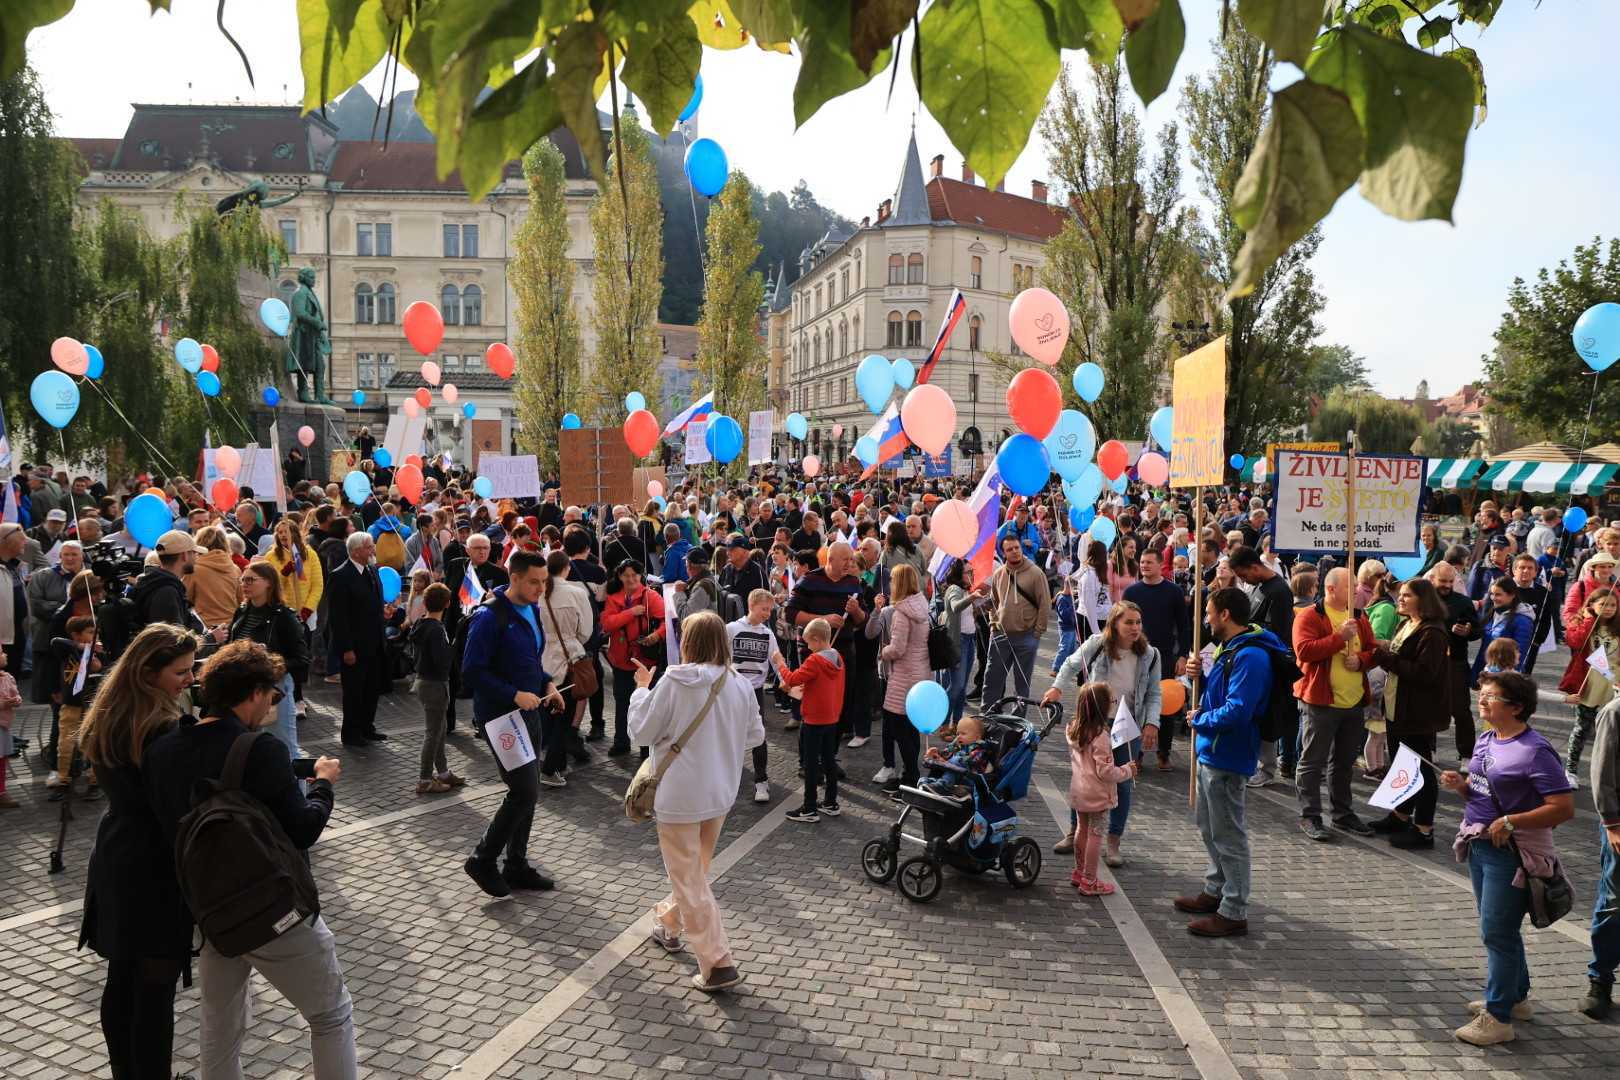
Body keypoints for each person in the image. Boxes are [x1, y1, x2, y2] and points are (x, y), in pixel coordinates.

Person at [143, 639, 354, 1078]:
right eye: (273, 695)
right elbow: (303, 829)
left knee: (220, 1027)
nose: (273, 704)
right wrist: (323, 786)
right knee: (331, 1015)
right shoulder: (261, 749)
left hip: (211, 911)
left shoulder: (164, 748)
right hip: (272, 909)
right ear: (254, 693)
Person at [75, 625, 199, 1078]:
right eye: (181, 672)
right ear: (148, 673)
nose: (190, 679)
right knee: (154, 989)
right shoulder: (161, 728)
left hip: (116, 851)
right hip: (154, 866)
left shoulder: (110, 712)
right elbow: (177, 807)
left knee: (122, 978)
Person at [1438, 671, 1575, 1046]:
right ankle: (1515, 998)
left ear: (1516, 707)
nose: (1481, 700)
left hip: (1510, 853)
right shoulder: (1487, 738)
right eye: (1481, 694)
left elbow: (1563, 807)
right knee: (1499, 928)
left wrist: (1512, 821)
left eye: (1490, 696)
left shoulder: (1535, 750)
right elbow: (1481, 791)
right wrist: (1461, 786)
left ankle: (1498, 1018)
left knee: (1496, 933)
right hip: (1478, 844)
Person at [629, 610, 763, 993]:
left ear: (687, 642)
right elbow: (755, 736)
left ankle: (718, 962)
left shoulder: (676, 680)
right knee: (694, 875)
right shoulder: (739, 683)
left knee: (689, 879)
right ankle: (668, 924)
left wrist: (641, 690)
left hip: (679, 794)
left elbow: (641, 731)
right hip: (719, 792)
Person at [1174, 587, 1288, 938]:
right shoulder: (1231, 647)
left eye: (1209, 612)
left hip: (1228, 753)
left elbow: (1238, 710)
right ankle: (1216, 889)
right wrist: (1199, 675)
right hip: (1212, 750)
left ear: (1225, 614)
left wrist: (1200, 720)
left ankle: (1234, 909)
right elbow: (1219, 692)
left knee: (1229, 835)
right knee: (1210, 828)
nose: (1206, 619)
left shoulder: (1251, 656)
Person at [460, 550, 568, 897]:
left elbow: (529, 661)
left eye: (544, 582)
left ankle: (516, 865)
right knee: (524, 791)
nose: (541, 589)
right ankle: (482, 859)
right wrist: (513, 694)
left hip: (529, 711)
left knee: (529, 790)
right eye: (534, 582)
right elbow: (471, 671)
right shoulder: (488, 617)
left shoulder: (532, 610)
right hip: (501, 717)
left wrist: (547, 684)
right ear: (515, 577)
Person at [1045, 602, 1162, 865]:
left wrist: (1152, 723)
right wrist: (1056, 688)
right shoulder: (1097, 644)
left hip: (1127, 723)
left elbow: (1155, 693)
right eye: (1128, 622)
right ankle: (1075, 831)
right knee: (1085, 777)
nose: (1135, 627)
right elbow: (1070, 664)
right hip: (1095, 720)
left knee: (1123, 781)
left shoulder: (1151, 654)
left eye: (1138, 622)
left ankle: (1113, 841)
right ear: (1114, 623)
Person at [1290, 568, 1377, 841]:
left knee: (1343, 763)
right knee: (1312, 761)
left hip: (1353, 702)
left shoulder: (1359, 616)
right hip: (1320, 702)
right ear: (1330, 589)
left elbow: (1372, 650)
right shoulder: (1309, 616)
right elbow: (1304, 651)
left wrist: (1361, 660)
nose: (1356, 591)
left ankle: (1342, 813)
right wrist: (1339, 638)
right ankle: (1310, 815)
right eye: (1350, 587)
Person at [1370, 578, 1453, 849]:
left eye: (1407, 595)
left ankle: (1424, 828)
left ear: (1423, 600)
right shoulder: (1407, 623)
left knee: (1421, 770)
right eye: (1401, 594)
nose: (1401, 599)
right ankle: (1400, 815)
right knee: (1402, 766)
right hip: (1397, 707)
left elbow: (1424, 673)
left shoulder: (1433, 633)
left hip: (1418, 712)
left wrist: (1385, 659)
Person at [229, 561, 311, 763]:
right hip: (244, 689)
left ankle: (295, 783)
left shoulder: (283, 616)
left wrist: (267, 663)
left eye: (250, 580)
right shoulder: (242, 611)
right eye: (243, 580)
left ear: (269, 583)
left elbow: (301, 659)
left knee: (284, 747)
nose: (245, 584)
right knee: (251, 749)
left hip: (273, 689)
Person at [1065, 682, 1138, 896]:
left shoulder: (1073, 729)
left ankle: (1079, 872)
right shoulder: (1101, 736)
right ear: (1104, 707)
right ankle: (1089, 880)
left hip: (1079, 790)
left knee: (1081, 830)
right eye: (1112, 701)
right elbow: (1106, 772)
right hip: (1097, 794)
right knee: (1096, 835)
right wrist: (1127, 770)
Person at [866, 563, 932, 797]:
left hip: (903, 677)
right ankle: (910, 775)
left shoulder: (902, 612)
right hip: (920, 672)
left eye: (893, 580)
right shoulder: (921, 606)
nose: (891, 583)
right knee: (911, 729)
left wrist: (884, 651)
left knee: (899, 728)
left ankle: (910, 779)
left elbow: (898, 649)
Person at [777, 617, 845, 823]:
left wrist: (780, 663)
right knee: (829, 760)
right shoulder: (838, 658)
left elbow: (792, 679)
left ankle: (809, 807)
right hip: (831, 717)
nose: (807, 647)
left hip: (814, 719)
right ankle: (831, 802)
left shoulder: (815, 660)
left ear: (816, 639)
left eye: (808, 642)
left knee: (810, 763)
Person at [1124, 548, 1187, 770]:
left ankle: (1164, 753)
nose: (1144, 565)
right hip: (1135, 656)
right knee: (1135, 704)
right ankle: (1136, 753)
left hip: (1165, 657)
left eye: (1149, 562)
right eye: (1142, 562)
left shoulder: (1174, 592)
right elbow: (1121, 622)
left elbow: (1184, 626)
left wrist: (1183, 655)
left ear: (1161, 565)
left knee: (1165, 705)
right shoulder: (1131, 591)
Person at [601, 559, 668, 757]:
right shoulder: (614, 598)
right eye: (626, 575)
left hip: (646, 662)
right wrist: (630, 613)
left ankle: (646, 748)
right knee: (622, 701)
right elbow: (607, 624)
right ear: (619, 576)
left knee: (648, 704)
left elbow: (666, 621)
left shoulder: (650, 596)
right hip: (621, 660)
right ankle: (621, 741)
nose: (630, 579)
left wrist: (656, 635)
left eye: (634, 575)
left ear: (640, 576)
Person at [977, 534, 1051, 710]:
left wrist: (1037, 632)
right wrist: (993, 625)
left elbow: (1045, 604)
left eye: (1017, 547)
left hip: (1027, 636)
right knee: (992, 679)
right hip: (1001, 636)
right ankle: (988, 716)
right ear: (1003, 553)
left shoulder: (1036, 573)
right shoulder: (999, 574)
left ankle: (1017, 721)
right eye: (1010, 549)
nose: (1015, 551)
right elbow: (994, 601)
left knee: (1022, 684)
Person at [1558, 585, 1620, 788]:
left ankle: (1610, 775)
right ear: (1592, 605)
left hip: (1614, 685)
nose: (1608, 609)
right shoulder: (1582, 622)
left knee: (1612, 733)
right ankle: (1570, 771)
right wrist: (1587, 619)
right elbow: (1575, 641)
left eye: (1613, 605)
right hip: (1590, 684)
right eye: (1603, 604)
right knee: (1581, 729)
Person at [725, 588, 782, 804]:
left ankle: (761, 780)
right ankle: (727, 778)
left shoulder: (768, 634)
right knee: (729, 735)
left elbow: (776, 659)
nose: (767, 614)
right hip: (732, 690)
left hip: (755, 691)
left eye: (770, 610)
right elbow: (720, 657)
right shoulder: (731, 629)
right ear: (751, 606)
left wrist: (785, 679)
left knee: (759, 735)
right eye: (764, 609)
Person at [410, 582, 461, 795]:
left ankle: (443, 772)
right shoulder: (437, 630)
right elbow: (443, 661)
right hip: (435, 684)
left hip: (424, 681)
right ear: (447, 604)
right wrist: (456, 644)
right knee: (433, 733)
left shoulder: (420, 624)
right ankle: (424, 779)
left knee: (439, 729)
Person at [1587, 692, 1620, 1020]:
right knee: (1613, 902)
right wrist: (1611, 822)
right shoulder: (1614, 712)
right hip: (1619, 823)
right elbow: (1601, 770)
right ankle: (1600, 980)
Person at [1430, 561, 1481, 762]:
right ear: (1432, 579)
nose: (1447, 585)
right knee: (1428, 708)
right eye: (1443, 581)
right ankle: (1429, 749)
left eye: (1451, 581)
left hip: (1456, 662)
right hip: (1428, 662)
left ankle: (1467, 754)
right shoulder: (1422, 600)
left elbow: (1477, 631)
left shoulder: (1463, 602)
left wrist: (1468, 631)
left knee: (1461, 710)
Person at [50, 615, 105, 797]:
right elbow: (56, 642)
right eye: (90, 632)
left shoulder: (96, 652)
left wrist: (95, 658)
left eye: (96, 633)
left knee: (93, 743)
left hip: (91, 706)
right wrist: (83, 648)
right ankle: (63, 780)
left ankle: (95, 781)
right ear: (76, 635)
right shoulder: (69, 650)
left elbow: (99, 668)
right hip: (71, 704)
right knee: (65, 744)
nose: (95, 637)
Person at [129, 530, 200, 632]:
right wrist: (211, 638)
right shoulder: (167, 592)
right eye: (194, 552)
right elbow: (172, 639)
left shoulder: (154, 583)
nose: (196, 557)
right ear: (184, 555)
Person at [1470, 577, 1535, 684]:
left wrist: (1507, 680)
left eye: (1498, 594)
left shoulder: (1523, 620)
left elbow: (1520, 653)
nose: (1493, 598)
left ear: (1512, 595)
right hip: (1486, 673)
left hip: (1503, 679)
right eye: (1492, 594)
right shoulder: (1494, 612)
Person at [188, 525, 245, 638]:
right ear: (225, 543)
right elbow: (241, 600)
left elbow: (185, 599)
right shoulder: (234, 569)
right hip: (231, 629)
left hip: (206, 631)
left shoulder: (194, 569)